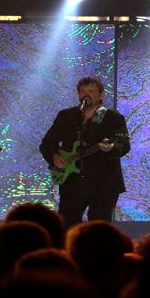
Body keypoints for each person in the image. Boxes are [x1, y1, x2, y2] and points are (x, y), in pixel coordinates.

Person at [39, 76, 131, 224]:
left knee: (99, 229)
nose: (86, 94)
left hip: (103, 183)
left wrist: (111, 148)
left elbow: (123, 144)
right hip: (71, 183)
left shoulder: (113, 117)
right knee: (67, 226)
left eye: (91, 91)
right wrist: (55, 156)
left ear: (101, 96)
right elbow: (47, 143)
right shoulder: (66, 116)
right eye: (82, 91)